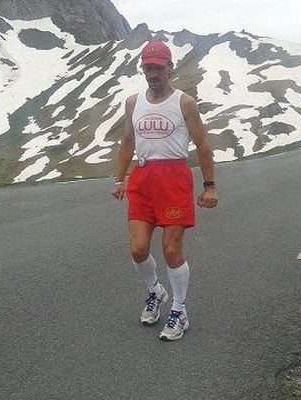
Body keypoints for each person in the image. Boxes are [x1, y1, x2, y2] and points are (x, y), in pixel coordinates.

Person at [111, 40, 218, 341]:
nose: (153, 73)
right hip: (143, 178)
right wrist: (120, 179)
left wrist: (210, 185)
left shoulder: (185, 103)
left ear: (170, 68)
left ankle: (180, 311)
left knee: (171, 249)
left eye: (158, 67)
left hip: (173, 178)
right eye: (148, 67)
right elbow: (128, 142)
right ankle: (155, 292)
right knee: (138, 249)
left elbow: (203, 145)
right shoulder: (133, 103)